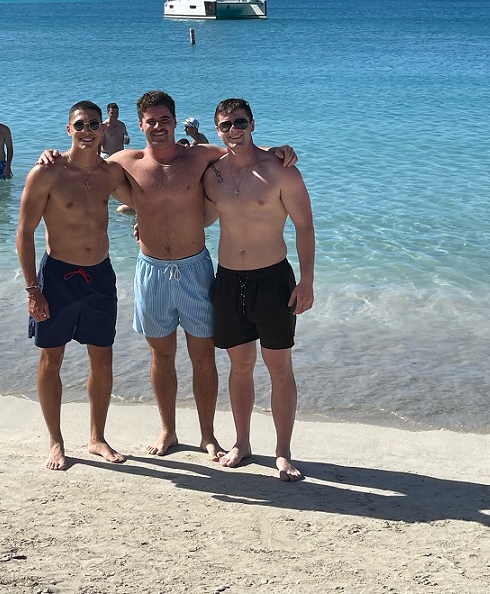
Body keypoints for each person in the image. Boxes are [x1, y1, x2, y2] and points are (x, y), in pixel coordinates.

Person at [39, 90, 297, 460]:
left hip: (195, 267)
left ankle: (208, 434)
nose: (158, 127)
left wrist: (279, 149)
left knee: (203, 354)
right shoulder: (125, 161)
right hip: (152, 270)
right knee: (161, 356)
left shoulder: (200, 156)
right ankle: (169, 431)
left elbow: (242, 146)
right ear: (140, 124)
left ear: (176, 122)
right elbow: (81, 162)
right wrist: (51, 155)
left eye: (165, 120)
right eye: (150, 121)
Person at [16, 101, 134, 471]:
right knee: (52, 358)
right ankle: (55, 441)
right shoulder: (47, 172)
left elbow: (150, 195)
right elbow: (24, 231)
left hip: (99, 277)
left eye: (93, 125)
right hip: (57, 278)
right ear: (68, 130)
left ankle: (97, 437)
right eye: (79, 125)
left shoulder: (110, 173)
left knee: (103, 357)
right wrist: (32, 289)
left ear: (103, 130)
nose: (86, 131)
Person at [203, 98, 314, 481]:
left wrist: (307, 281)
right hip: (229, 279)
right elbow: (189, 211)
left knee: (279, 368)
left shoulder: (281, 170)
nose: (233, 131)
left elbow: (305, 227)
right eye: (225, 125)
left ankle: (283, 451)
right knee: (240, 366)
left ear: (252, 123)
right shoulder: (212, 172)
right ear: (217, 129)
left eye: (239, 123)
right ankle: (243, 442)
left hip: (273, 279)